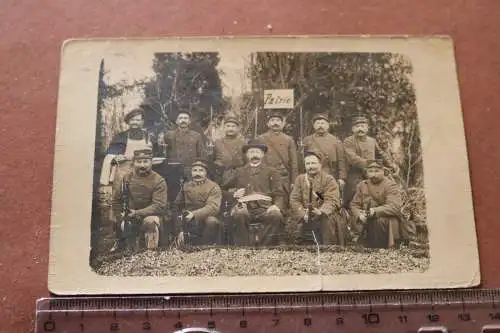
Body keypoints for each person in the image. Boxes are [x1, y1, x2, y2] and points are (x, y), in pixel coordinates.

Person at [222, 139, 285, 246]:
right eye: (251, 152)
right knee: (240, 214)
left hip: (264, 208)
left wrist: (276, 206)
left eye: (257, 152)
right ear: (246, 155)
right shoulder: (239, 171)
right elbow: (222, 189)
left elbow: (279, 193)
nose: (254, 155)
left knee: (276, 215)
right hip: (244, 206)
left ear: (263, 154)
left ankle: (264, 246)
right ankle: (244, 247)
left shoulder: (271, 171)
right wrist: (233, 194)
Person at [111, 149, 168, 251]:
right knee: (128, 244)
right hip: (131, 217)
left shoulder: (159, 180)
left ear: (151, 163)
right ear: (133, 163)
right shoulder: (126, 178)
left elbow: (159, 206)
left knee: (150, 222)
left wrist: (137, 212)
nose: (142, 165)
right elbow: (116, 200)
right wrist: (121, 217)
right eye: (139, 162)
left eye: (146, 162)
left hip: (150, 215)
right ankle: (122, 242)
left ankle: (151, 252)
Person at [289, 150, 344, 245]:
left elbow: (332, 199)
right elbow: (294, 199)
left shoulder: (328, 179)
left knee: (327, 222)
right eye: (307, 164)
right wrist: (302, 213)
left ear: (320, 165)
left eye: (313, 163)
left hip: (324, 214)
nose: (310, 166)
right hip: (305, 214)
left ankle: (328, 248)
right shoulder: (300, 179)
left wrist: (321, 211)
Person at [342, 115, 398, 207]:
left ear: (367, 128)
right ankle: (350, 213)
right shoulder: (348, 141)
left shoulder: (372, 141)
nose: (360, 129)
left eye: (363, 126)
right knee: (354, 192)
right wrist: (370, 164)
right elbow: (352, 158)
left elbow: (380, 153)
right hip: (355, 172)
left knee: (380, 190)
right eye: (357, 126)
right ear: (353, 129)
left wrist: (391, 164)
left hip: (372, 172)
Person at [349, 159, 406, 248]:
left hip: (386, 221)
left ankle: (382, 249)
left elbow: (394, 207)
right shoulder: (362, 185)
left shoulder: (390, 186)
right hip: (366, 220)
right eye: (370, 171)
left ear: (383, 171)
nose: (373, 174)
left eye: (377, 171)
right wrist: (359, 215)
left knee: (378, 222)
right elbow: (354, 204)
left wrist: (374, 211)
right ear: (366, 172)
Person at [101, 107, 157, 186]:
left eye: (138, 120)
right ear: (128, 122)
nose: (135, 122)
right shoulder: (121, 136)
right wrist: (115, 157)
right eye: (132, 120)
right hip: (124, 172)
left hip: (144, 171)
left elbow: (155, 154)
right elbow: (110, 155)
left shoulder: (148, 136)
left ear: (142, 122)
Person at [173, 159, 222, 245]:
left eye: (201, 170)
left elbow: (213, 207)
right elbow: (177, 205)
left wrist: (194, 214)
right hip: (188, 219)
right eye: (194, 170)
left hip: (205, 218)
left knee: (212, 221)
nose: (197, 174)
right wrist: (180, 228)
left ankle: (206, 246)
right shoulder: (186, 186)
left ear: (206, 172)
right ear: (191, 172)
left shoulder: (213, 187)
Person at [257, 110, 299, 207]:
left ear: (282, 124)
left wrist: (294, 181)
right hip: (267, 176)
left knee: (283, 203)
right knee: (266, 202)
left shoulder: (289, 139)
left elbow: (294, 162)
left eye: (278, 120)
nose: (275, 123)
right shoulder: (261, 139)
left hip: (283, 177)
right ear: (268, 124)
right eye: (272, 120)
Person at [303, 113, 347, 186]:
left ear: (327, 126)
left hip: (330, 174)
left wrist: (342, 178)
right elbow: (302, 160)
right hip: (312, 174)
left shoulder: (335, 141)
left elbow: (341, 160)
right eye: (317, 123)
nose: (320, 126)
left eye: (323, 123)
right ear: (314, 126)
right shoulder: (307, 140)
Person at [160, 109, 205, 178]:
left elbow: (201, 154)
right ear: (176, 121)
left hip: (190, 170)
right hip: (173, 169)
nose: (183, 120)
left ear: (189, 121)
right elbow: (163, 152)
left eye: (185, 118)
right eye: (180, 118)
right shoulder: (168, 135)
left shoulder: (196, 136)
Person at [212, 114, 246, 184]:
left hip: (238, 176)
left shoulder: (244, 143)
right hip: (221, 176)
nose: (230, 129)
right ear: (224, 127)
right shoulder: (217, 143)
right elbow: (213, 160)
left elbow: (246, 162)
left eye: (233, 126)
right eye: (228, 126)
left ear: (238, 128)